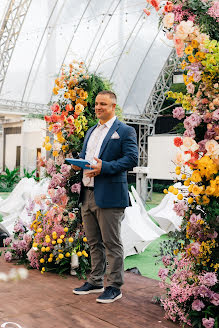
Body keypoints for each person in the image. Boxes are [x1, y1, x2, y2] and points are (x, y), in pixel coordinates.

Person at [72, 90, 138, 303]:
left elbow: (131, 159)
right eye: (96, 103)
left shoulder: (125, 131)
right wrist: (78, 163)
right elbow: (87, 159)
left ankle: (114, 287)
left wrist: (105, 167)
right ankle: (96, 280)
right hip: (88, 193)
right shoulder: (92, 130)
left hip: (110, 195)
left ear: (113, 107)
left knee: (112, 243)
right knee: (93, 241)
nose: (98, 107)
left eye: (103, 104)